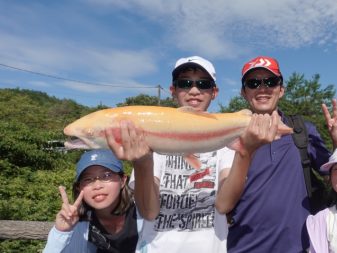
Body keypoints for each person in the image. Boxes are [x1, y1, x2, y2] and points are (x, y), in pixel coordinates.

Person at [105, 56, 276, 253]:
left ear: (214, 92)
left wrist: (245, 151)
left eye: (203, 84)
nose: (194, 91)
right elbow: (149, 212)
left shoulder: (224, 140)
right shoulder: (149, 134)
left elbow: (224, 205)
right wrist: (142, 161)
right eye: (185, 83)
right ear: (173, 91)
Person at [215, 56, 337, 253]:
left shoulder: (302, 130)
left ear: (281, 89)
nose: (262, 88)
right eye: (253, 83)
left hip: (300, 247)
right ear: (244, 92)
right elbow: (223, 204)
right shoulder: (230, 135)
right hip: (243, 247)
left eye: (270, 82)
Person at [43, 149, 141, 253]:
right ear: (79, 188)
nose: (97, 186)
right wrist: (61, 232)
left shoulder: (143, 213)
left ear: (122, 180)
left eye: (106, 176)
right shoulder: (78, 224)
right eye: (88, 179)